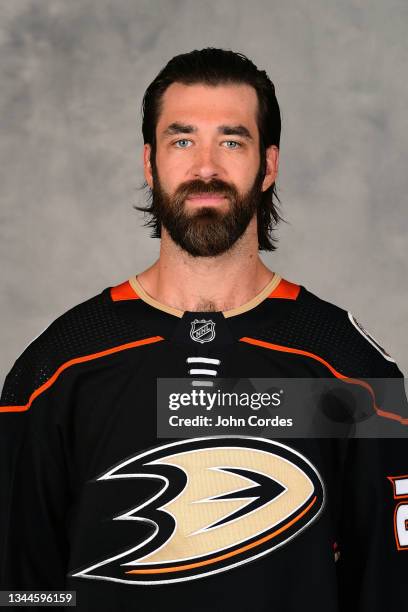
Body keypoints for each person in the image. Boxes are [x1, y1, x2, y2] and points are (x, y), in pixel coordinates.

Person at [1, 47, 407, 611]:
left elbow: (390, 590)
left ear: (269, 166)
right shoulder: (56, 369)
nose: (207, 168)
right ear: (150, 163)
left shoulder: (354, 372)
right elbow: (23, 591)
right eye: (183, 140)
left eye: (232, 141)